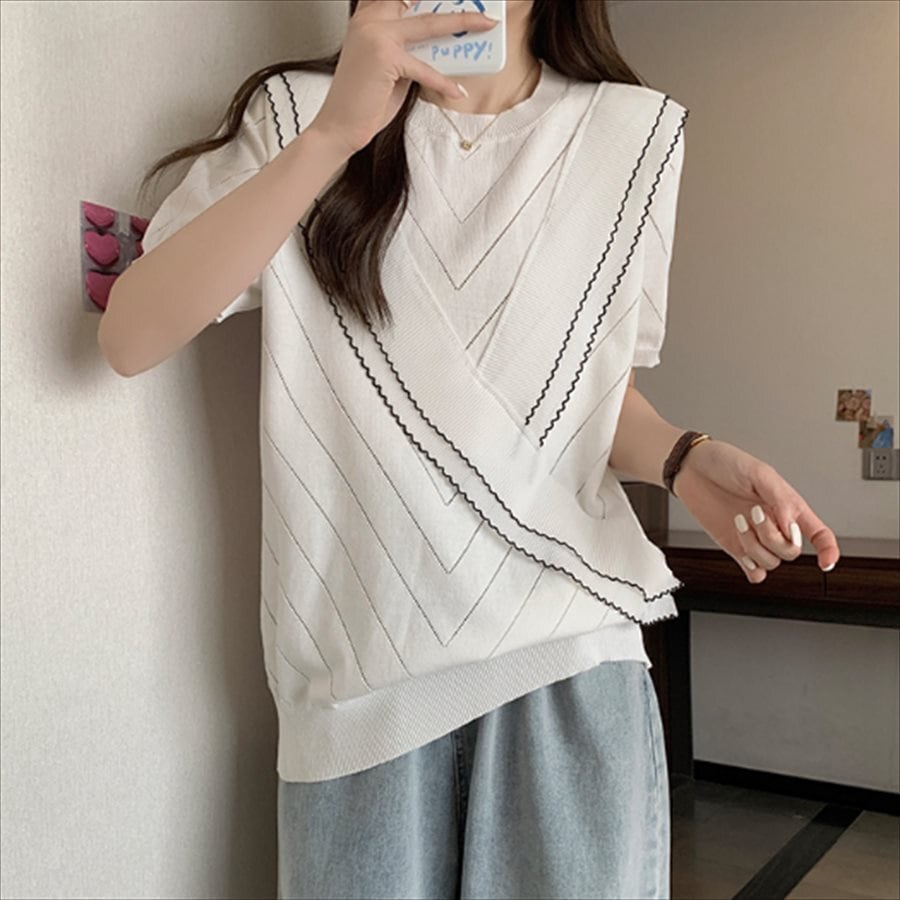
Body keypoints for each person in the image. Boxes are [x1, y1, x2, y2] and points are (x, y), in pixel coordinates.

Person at [98, 1, 841, 897]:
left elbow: (580, 398)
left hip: (569, 661)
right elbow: (129, 336)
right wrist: (334, 135)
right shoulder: (299, 113)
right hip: (358, 688)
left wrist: (681, 456)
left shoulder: (634, 135)